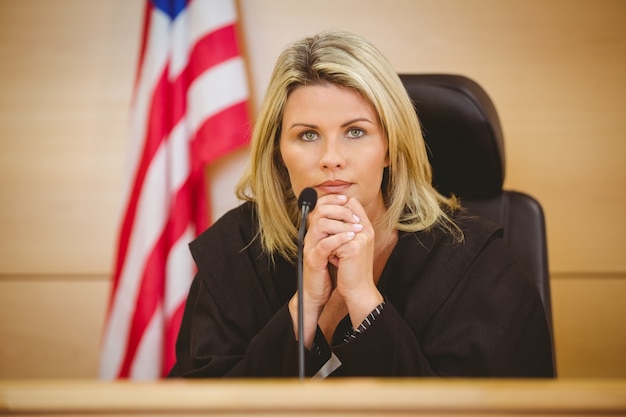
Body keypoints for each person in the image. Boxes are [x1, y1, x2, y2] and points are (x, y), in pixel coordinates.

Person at [168, 31, 555, 378]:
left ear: (390, 148)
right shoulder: (237, 248)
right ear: (278, 153)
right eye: (307, 135)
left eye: (356, 132)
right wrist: (305, 312)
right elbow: (197, 404)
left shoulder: (476, 262)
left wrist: (365, 303)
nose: (331, 157)